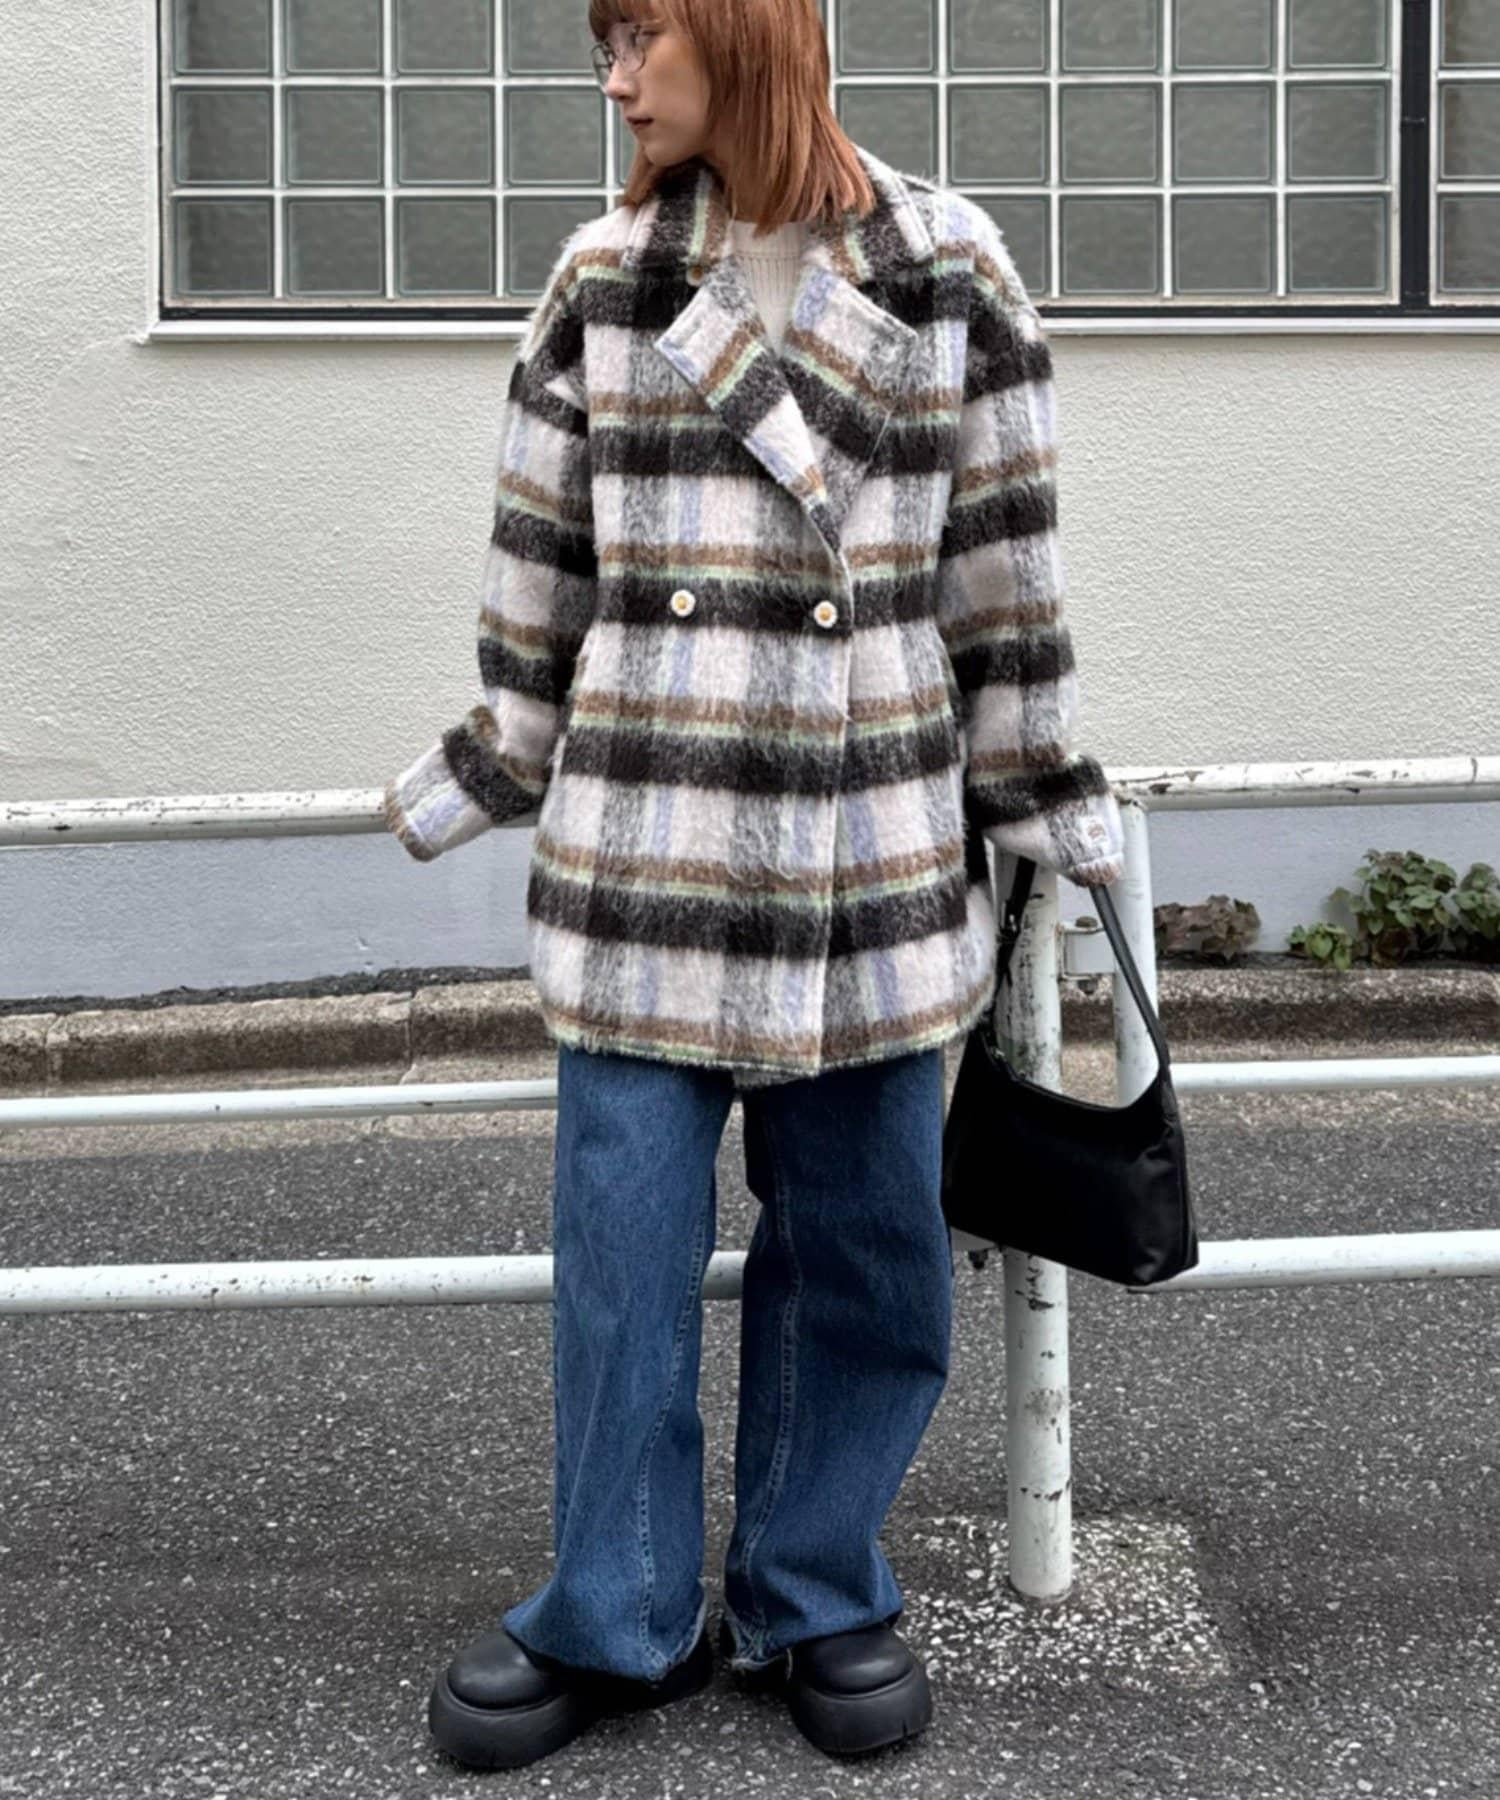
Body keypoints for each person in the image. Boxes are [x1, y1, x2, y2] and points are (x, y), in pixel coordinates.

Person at [382, 0, 1125, 1770]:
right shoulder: (607, 277)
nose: (613, 77)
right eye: (606, 43)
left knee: (870, 1254)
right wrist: (490, 759)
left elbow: (1003, 572)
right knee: (622, 1263)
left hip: (873, 852)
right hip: (645, 847)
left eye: (639, 33)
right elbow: (539, 567)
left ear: (747, 28)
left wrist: (1039, 790)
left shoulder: (948, 266)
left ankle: (816, 1586)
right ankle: (618, 1611)